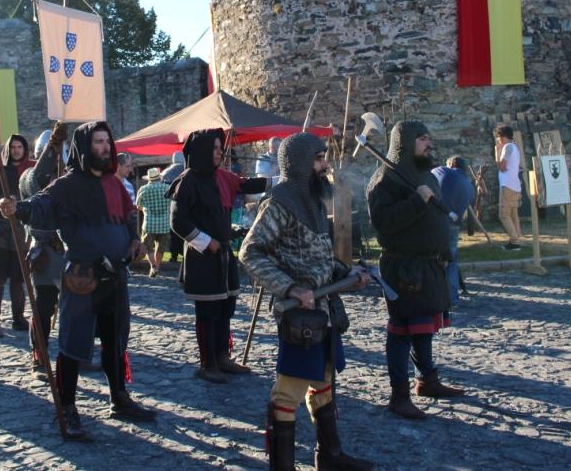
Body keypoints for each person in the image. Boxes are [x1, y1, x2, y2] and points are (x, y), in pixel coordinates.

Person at [0, 121, 156, 439]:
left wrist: (135, 239)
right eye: (98, 142)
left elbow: (127, 215)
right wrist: (18, 209)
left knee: (114, 342)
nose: (105, 148)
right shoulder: (68, 185)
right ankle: (68, 408)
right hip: (81, 277)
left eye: (107, 142)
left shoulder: (113, 183)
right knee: (72, 344)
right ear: (85, 147)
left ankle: (119, 399)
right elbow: (41, 204)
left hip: (115, 275)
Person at [240, 133, 373, 470]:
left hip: (324, 309)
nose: (325, 164)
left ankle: (329, 457)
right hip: (301, 315)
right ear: (300, 163)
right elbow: (250, 253)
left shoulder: (313, 200)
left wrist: (347, 272)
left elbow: (319, 256)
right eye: (319, 158)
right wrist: (289, 288)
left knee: (324, 379)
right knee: (289, 390)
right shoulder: (280, 202)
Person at [367, 120, 464, 419]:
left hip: (429, 263)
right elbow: (385, 224)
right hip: (403, 267)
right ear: (406, 142)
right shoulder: (385, 180)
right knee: (402, 332)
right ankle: (399, 396)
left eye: (428, 138)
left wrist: (444, 249)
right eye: (422, 139)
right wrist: (416, 200)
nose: (428, 144)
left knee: (424, 328)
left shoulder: (424, 174)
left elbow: (435, 214)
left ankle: (428, 381)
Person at [169, 128, 267, 383]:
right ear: (201, 150)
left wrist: (285, 178)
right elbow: (178, 221)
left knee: (226, 307)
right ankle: (208, 363)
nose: (219, 152)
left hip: (223, 255)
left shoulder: (222, 177)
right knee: (208, 312)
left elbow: (248, 184)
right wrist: (205, 241)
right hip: (202, 258)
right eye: (213, 148)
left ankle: (223, 356)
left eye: (219, 147)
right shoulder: (188, 180)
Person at [20, 122, 70, 380]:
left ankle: (73, 353)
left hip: (71, 250)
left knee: (76, 305)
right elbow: (39, 178)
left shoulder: (69, 177)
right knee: (44, 306)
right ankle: (39, 353)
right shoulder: (29, 178)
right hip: (45, 250)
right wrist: (54, 147)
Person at [0, 134, 35, 337]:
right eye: (13, 147)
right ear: (8, 150)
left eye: (20, 146)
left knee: (18, 280)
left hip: (22, 235)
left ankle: (18, 319)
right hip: (0, 235)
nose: (16, 150)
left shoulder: (30, 172)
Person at [431, 156, 475, 306]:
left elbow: (425, 180)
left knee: (428, 259)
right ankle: (452, 299)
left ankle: (431, 296)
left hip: (434, 222)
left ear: (450, 164)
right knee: (451, 262)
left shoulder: (443, 170)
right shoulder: (469, 186)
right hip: (453, 226)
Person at [135, 167, 170, 277]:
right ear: (159, 177)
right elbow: (172, 204)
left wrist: (146, 209)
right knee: (161, 248)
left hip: (149, 223)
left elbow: (138, 205)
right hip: (164, 224)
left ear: (149, 178)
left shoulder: (143, 189)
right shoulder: (167, 188)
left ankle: (153, 266)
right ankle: (157, 267)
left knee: (148, 247)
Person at [493, 124, 523, 250]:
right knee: (513, 213)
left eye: (498, 137)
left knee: (504, 214)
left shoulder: (506, 147)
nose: (498, 139)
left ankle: (514, 241)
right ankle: (516, 238)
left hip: (507, 185)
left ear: (502, 136)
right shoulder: (514, 147)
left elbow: (501, 167)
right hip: (515, 185)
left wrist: (496, 151)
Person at [161, 151, 187, 264]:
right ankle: (186, 254)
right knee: (186, 231)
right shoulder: (186, 170)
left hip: (171, 205)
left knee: (174, 231)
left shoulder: (166, 172)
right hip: (185, 205)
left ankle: (174, 256)